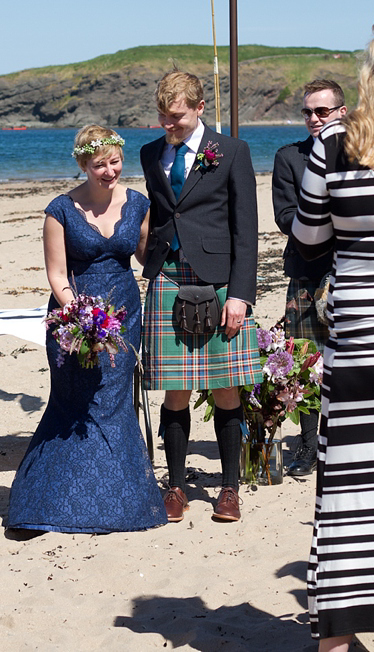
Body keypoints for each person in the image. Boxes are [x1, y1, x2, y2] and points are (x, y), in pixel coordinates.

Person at [292, 12, 374, 651]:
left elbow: (306, 238)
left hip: (360, 344)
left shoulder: (331, 146)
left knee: (352, 490)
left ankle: (338, 634)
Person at [7, 125, 167, 534]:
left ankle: (121, 502)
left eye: (115, 162)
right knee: (75, 404)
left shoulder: (138, 204)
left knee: (112, 403)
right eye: (100, 165)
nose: (110, 171)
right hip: (74, 321)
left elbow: (148, 254)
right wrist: (80, 314)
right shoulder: (59, 210)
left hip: (126, 316)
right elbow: (57, 274)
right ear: (83, 164)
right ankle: (54, 500)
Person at [140, 69, 262, 523]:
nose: (167, 125)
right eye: (162, 116)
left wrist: (241, 295)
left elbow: (245, 230)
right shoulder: (150, 153)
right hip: (168, 277)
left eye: (175, 117)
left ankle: (229, 490)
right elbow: (156, 211)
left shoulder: (231, 152)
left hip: (220, 280)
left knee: (226, 388)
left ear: (199, 108)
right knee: (175, 391)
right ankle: (175, 488)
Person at [272, 79, 347, 476]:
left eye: (322, 111)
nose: (314, 118)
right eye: (307, 112)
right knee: (304, 367)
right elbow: (285, 217)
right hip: (305, 272)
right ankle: (306, 447)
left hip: (350, 273)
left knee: (348, 365)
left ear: (342, 112)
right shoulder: (289, 158)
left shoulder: (360, 155)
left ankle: (341, 446)